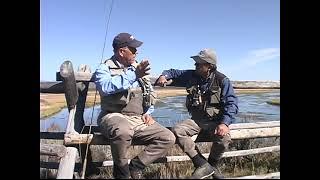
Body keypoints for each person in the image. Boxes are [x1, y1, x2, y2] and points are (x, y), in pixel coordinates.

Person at [94, 32, 176, 179]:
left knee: (168, 137)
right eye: (133, 49)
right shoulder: (104, 68)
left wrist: (148, 111)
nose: (136, 52)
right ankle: (121, 172)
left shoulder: (138, 68)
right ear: (121, 51)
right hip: (112, 115)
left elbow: (149, 92)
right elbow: (105, 87)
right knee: (123, 130)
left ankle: (135, 166)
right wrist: (134, 75)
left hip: (138, 118)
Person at [155, 48, 238, 179]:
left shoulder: (222, 80)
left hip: (215, 121)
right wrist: (164, 76)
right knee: (178, 130)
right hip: (196, 120)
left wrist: (224, 123)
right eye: (196, 63)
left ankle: (211, 166)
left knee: (224, 140)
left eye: (199, 63)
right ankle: (201, 163)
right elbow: (173, 72)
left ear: (209, 66)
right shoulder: (192, 75)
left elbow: (232, 103)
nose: (196, 65)